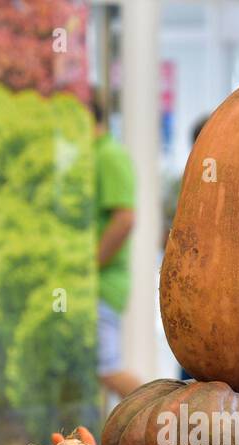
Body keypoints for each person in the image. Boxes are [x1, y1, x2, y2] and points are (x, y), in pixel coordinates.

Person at [93, 93, 143, 398]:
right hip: (92, 286)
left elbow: (124, 220)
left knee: (107, 369)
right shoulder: (93, 155)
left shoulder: (108, 155)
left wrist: (89, 268)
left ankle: (169, 428)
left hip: (100, 286)